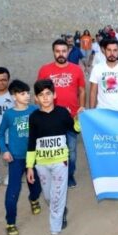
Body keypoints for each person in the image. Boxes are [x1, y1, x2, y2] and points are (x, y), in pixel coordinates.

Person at [26, 79, 78, 235]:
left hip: (60, 163)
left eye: (48, 94)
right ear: (36, 99)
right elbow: (31, 143)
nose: (45, 98)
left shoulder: (62, 113)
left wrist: (79, 118)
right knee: (48, 196)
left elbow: (75, 129)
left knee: (56, 197)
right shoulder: (34, 118)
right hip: (41, 164)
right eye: (41, 95)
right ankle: (61, 210)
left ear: (54, 95)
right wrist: (30, 167)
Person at [37, 39, 86, 188]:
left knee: (71, 151)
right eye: (57, 51)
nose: (61, 54)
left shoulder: (76, 69)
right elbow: (39, 93)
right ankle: (53, 176)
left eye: (64, 51)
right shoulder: (44, 70)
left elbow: (82, 90)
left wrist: (82, 107)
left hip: (71, 118)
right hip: (50, 118)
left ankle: (69, 175)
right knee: (52, 151)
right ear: (53, 52)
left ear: (68, 51)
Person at [0, 79, 42, 235]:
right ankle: (10, 222)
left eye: (28, 93)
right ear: (14, 96)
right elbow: (0, 133)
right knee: (13, 191)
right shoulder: (9, 115)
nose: (27, 96)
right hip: (16, 158)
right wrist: (5, 150)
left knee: (36, 185)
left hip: (35, 157)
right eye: (22, 93)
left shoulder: (35, 110)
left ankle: (34, 199)